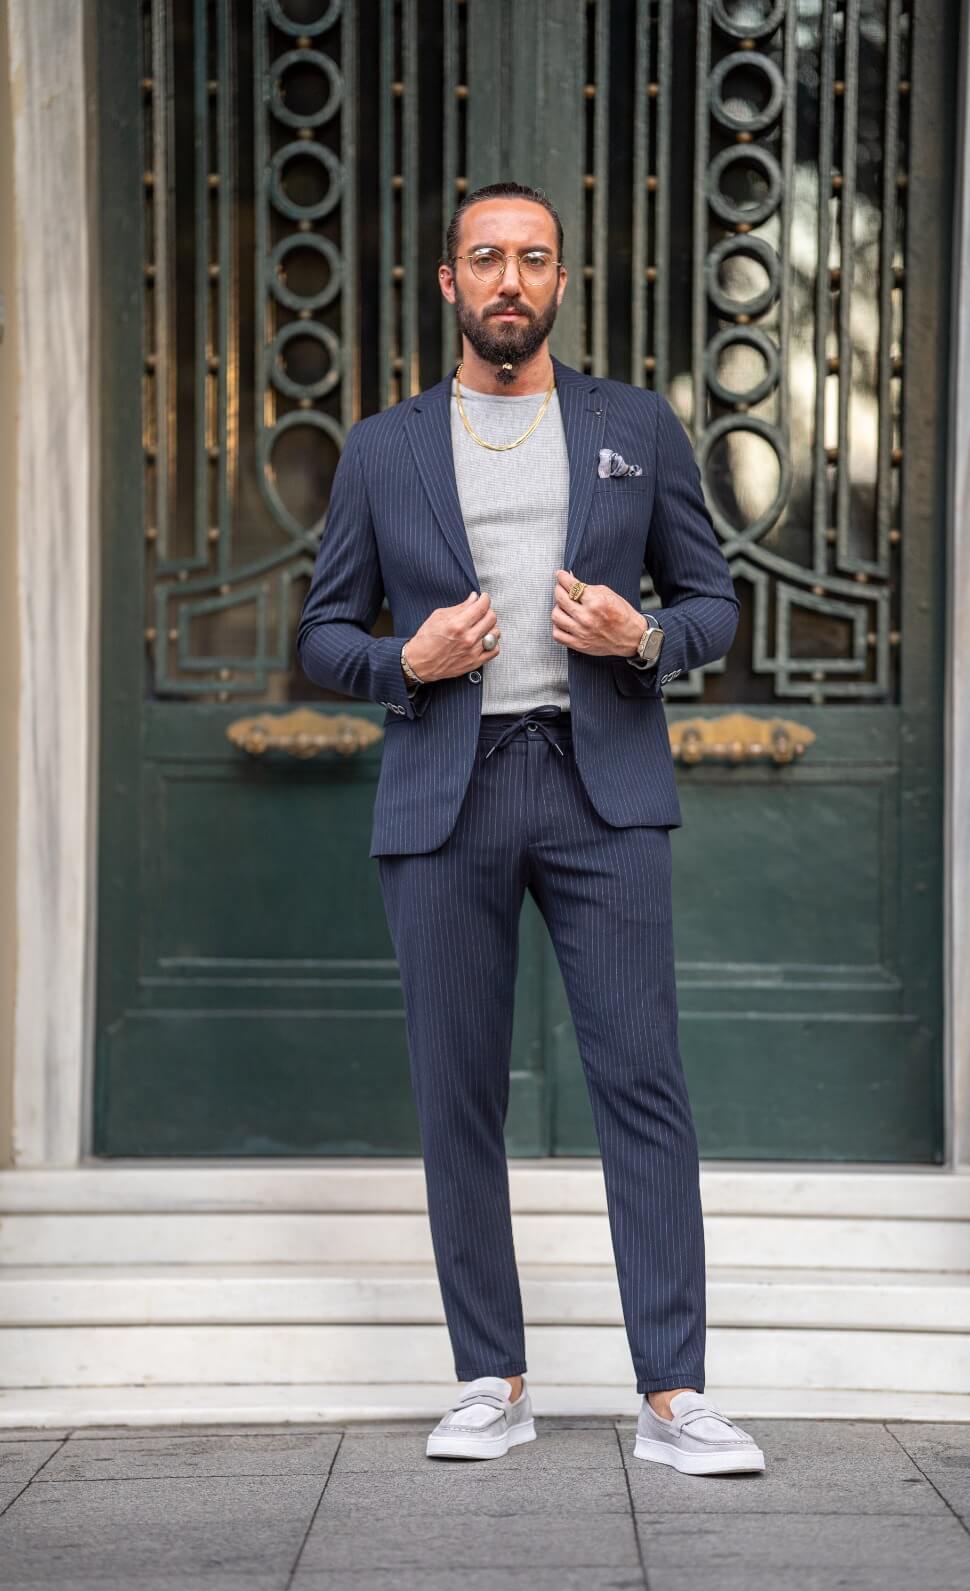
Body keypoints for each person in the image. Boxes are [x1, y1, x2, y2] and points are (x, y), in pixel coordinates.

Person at [296, 181, 765, 1477]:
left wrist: (648, 636)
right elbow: (321, 640)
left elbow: (715, 604)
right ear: (447, 282)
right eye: (486, 259)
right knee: (457, 1098)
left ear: (561, 282)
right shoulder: (385, 449)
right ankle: (490, 1379)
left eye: (533, 259)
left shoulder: (634, 428)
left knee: (641, 1086)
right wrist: (412, 657)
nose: (510, 279)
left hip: (598, 786)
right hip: (446, 795)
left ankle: (673, 1398)